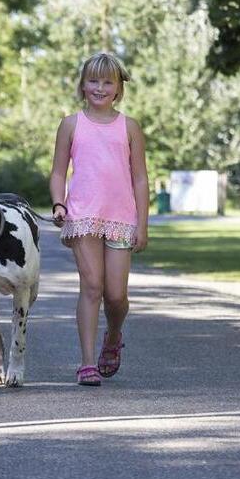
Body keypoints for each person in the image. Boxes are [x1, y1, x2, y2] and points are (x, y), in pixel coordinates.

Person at [49, 52, 149, 386]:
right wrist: (58, 203)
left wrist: (143, 225)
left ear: (119, 88)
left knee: (116, 295)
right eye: (93, 80)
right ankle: (87, 363)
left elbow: (140, 179)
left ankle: (114, 335)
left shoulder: (130, 127)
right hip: (83, 217)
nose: (100, 87)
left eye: (108, 82)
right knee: (91, 286)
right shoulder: (70, 124)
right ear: (82, 84)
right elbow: (58, 172)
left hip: (121, 218)